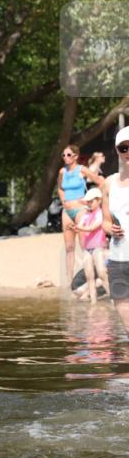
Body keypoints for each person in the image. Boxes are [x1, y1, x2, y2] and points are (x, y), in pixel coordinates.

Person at [59, 144, 106, 281]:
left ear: (75, 156)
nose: (65, 157)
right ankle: (69, 281)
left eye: (68, 155)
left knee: (84, 245)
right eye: (63, 155)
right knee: (69, 247)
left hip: (80, 210)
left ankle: (90, 276)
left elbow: (100, 182)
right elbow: (60, 188)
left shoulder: (82, 170)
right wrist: (63, 201)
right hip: (66, 212)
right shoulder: (62, 171)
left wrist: (94, 200)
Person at [103, 127, 129, 332]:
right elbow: (104, 221)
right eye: (124, 147)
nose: (128, 151)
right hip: (118, 260)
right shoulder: (109, 183)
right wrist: (110, 228)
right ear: (117, 150)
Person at [75, 188, 109, 305]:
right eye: (88, 202)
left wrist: (79, 228)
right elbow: (79, 225)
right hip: (87, 248)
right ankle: (93, 303)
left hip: (98, 247)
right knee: (89, 276)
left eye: (91, 201)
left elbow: (93, 227)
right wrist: (76, 227)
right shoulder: (86, 215)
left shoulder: (101, 214)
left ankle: (113, 299)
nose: (89, 204)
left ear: (99, 200)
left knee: (101, 273)